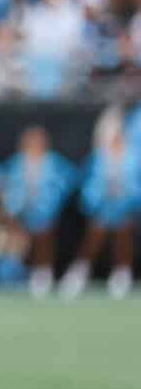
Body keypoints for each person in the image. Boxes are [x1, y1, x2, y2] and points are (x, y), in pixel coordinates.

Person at [60, 107, 136, 299]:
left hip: (126, 208)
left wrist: (127, 199)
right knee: (96, 232)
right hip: (101, 208)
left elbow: (137, 186)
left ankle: (122, 274)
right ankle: (79, 272)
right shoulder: (98, 157)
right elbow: (88, 184)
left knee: (123, 231)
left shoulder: (134, 157)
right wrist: (99, 201)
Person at [0, 126, 75, 298]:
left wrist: (48, 203)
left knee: (43, 230)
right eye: (30, 141)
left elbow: (65, 183)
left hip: (44, 213)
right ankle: (10, 272)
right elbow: (5, 187)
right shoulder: (15, 163)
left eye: (38, 141)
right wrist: (12, 208)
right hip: (17, 215)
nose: (34, 144)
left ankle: (42, 271)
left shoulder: (54, 162)